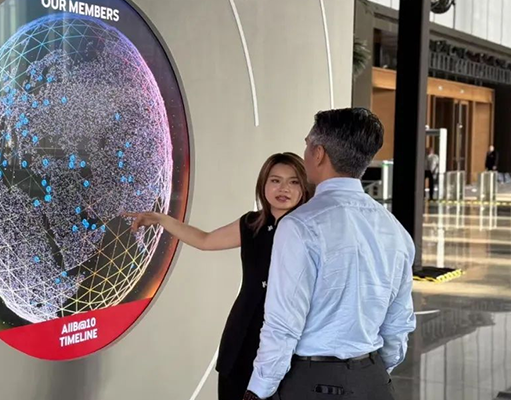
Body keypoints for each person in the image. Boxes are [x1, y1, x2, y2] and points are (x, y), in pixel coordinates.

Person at [243, 108, 416, 400]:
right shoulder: (393, 228)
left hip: (313, 383)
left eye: (307, 145)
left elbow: (283, 325)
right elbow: (399, 322)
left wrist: (258, 390)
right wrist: (372, 372)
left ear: (319, 153)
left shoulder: (299, 226)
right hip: (374, 381)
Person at [127, 153, 312, 400]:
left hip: (288, 340)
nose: (284, 189)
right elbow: (205, 240)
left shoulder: (311, 229)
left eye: (294, 182)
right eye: (275, 180)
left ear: (304, 186)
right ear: (263, 185)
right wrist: (162, 219)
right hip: (243, 332)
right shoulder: (251, 224)